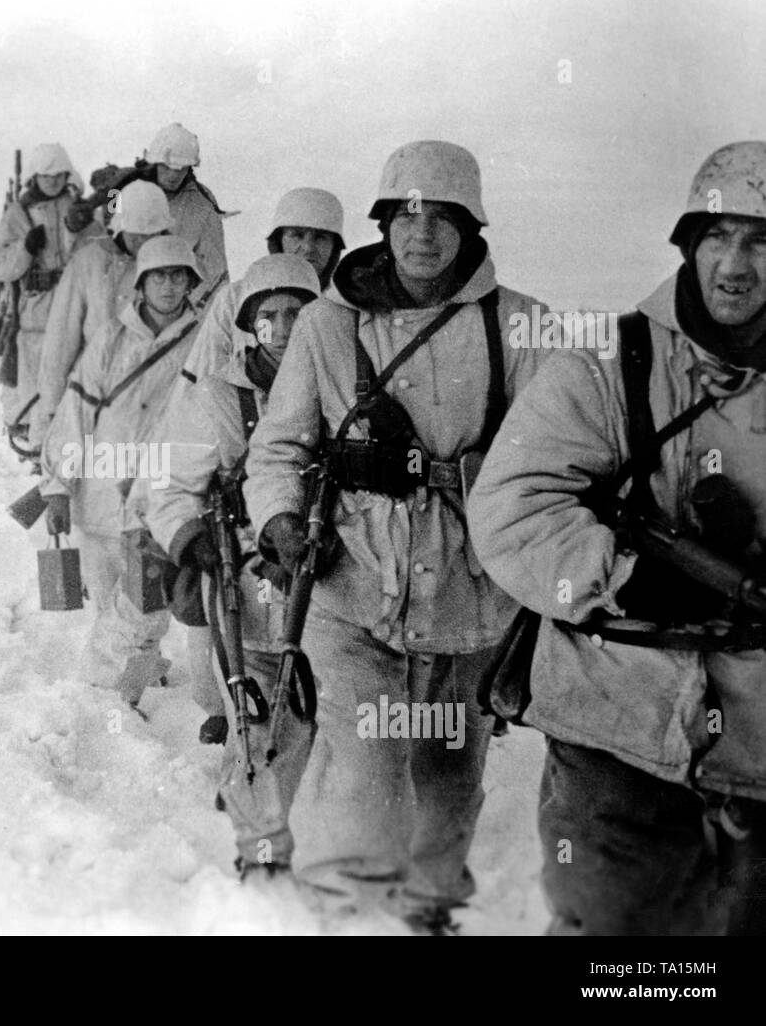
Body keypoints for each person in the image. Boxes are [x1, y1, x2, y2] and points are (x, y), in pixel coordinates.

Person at [243, 140, 545, 933]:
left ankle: (429, 908)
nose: (423, 233)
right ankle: (348, 915)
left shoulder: (523, 326)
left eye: (443, 217)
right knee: (367, 781)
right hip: (353, 587)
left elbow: (558, 466)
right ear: (382, 222)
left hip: (472, 596)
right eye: (407, 213)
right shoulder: (326, 323)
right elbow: (277, 448)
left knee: (448, 777)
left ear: (470, 228)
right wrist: (279, 521)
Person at [469, 141, 766, 937]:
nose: (736, 266)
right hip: (615, 718)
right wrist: (628, 577)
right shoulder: (607, 361)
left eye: (762, 242)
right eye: (717, 237)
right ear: (686, 247)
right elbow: (510, 507)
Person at [147, 254, 323, 878]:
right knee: (261, 711)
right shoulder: (217, 390)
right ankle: (258, 852)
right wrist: (191, 538)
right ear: (249, 323)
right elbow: (171, 485)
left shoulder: (347, 381)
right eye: (268, 314)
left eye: (297, 312)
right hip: (247, 575)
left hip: (331, 577)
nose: (283, 325)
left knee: (314, 715)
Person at [40, 235, 204, 711]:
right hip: (98, 491)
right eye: (159, 276)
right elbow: (76, 411)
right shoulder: (112, 337)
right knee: (112, 597)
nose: (169, 287)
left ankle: (105, 694)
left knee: (144, 601)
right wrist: (56, 484)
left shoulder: (201, 340)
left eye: (179, 276)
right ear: (142, 282)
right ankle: (144, 672)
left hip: (157, 494)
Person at [35, 180, 174, 438]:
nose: (146, 242)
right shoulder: (89, 262)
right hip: (92, 396)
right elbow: (60, 341)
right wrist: (51, 411)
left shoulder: (173, 272)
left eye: (154, 234)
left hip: (152, 405)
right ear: (120, 228)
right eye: (138, 234)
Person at [0, 144, 101, 446]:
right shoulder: (18, 213)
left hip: (77, 305)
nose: (53, 181)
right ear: (35, 177)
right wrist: (25, 247)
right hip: (37, 311)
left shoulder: (78, 207)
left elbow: (101, 251)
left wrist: (87, 225)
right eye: (46, 176)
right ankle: (40, 450)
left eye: (59, 175)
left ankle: (72, 447)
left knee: (76, 380)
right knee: (38, 387)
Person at [183, 187, 345, 386]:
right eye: (297, 235)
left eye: (321, 237)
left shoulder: (343, 304)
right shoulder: (233, 299)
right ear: (278, 241)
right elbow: (203, 380)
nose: (309, 247)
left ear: (335, 247)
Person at [140, 123, 229, 300]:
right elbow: (110, 227)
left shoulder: (202, 203)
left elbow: (216, 273)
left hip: (178, 302)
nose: (174, 176)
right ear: (154, 163)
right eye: (167, 168)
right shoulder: (125, 188)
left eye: (181, 169)